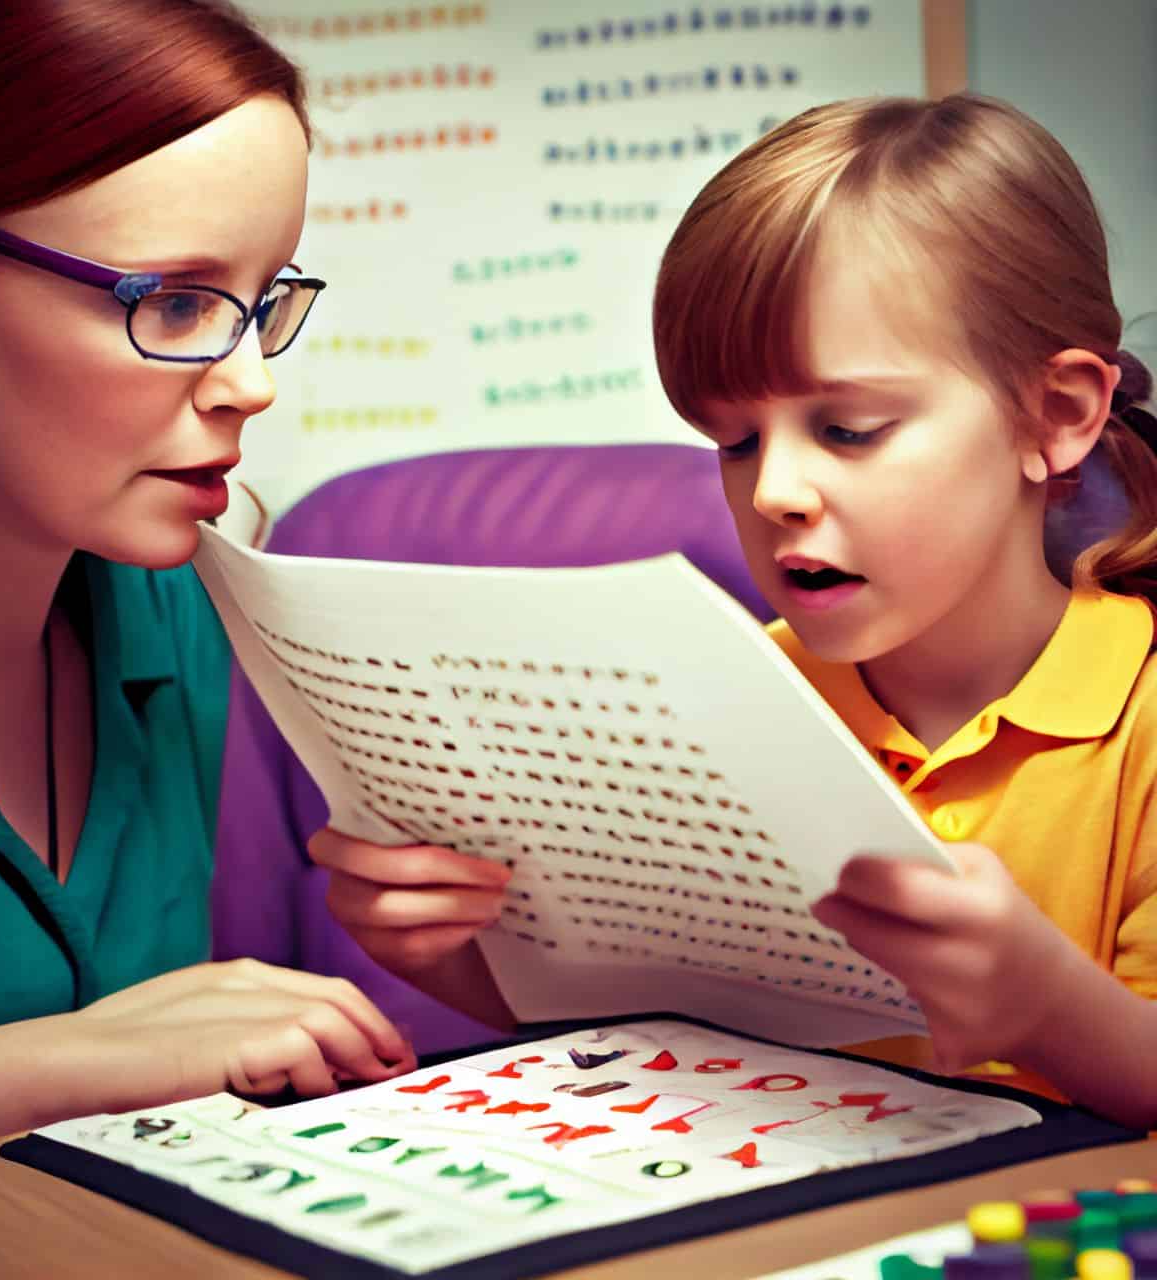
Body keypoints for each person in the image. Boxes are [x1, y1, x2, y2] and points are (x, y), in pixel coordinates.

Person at [310, 93, 1157, 1130]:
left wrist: (1043, 1003)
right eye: (734, 440)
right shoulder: (718, 701)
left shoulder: (1143, 721)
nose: (771, 493)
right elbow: (633, 1020)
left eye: (845, 429)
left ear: (1056, 414)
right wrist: (440, 946)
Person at [0, 0, 416, 1160]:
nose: (251, 384)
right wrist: (73, 1061)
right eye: (173, 302)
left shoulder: (183, 597)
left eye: (264, 301)